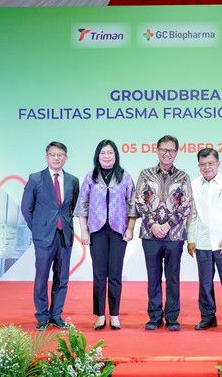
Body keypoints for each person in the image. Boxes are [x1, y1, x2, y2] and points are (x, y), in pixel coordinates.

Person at [74, 140, 137, 330]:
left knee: (115, 275)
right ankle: (100, 315)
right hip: (97, 230)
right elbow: (82, 204)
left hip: (118, 231)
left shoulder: (125, 177)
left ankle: (115, 315)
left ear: (116, 155)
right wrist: (84, 231)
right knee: (99, 274)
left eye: (110, 152)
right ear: (97, 156)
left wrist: (130, 228)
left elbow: (133, 204)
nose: (107, 156)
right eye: (103, 153)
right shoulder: (90, 176)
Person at [135, 135, 192, 331]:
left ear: (176, 152)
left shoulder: (183, 176)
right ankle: (155, 317)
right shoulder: (145, 174)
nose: (167, 154)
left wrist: (167, 225)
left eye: (171, 150)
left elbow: (186, 205)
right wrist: (153, 225)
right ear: (157, 150)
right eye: (164, 150)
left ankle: (172, 318)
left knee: (173, 278)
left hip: (174, 235)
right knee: (153, 278)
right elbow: (139, 202)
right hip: (150, 235)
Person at [21, 141, 79, 330]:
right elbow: (26, 208)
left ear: (66, 158)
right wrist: (37, 228)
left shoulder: (73, 180)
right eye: (53, 155)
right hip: (43, 237)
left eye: (60, 155)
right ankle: (42, 316)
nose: (56, 158)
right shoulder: (35, 178)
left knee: (62, 279)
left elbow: (72, 208)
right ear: (46, 157)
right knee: (42, 278)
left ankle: (56, 315)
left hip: (64, 236)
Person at [187, 148, 222, 332]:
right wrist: (191, 239)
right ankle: (208, 317)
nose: (207, 167)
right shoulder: (194, 184)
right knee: (204, 284)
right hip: (203, 242)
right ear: (198, 166)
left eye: (211, 163)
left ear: (218, 163)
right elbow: (192, 215)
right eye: (203, 164)